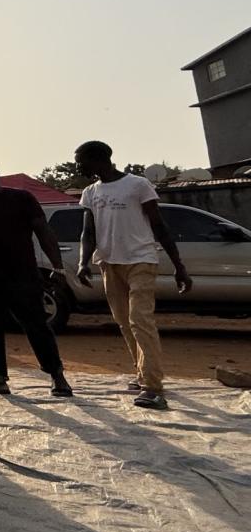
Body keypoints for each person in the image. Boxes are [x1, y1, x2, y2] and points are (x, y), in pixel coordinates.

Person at [74, 140, 191, 410]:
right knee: (125, 323)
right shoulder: (90, 192)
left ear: (98, 158)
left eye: (81, 160)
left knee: (141, 321)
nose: (79, 166)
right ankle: (141, 375)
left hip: (141, 260)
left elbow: (158, 225)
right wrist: (83, 262)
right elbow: (88, 231)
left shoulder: (138, 185)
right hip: (109, 263)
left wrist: (179, 266)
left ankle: (153, 387)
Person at [0, 161, 73, 398]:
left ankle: (57, 375)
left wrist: (58, 267)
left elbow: (44, 232)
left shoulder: (21, 198)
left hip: (22, 274)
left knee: (36, 325)